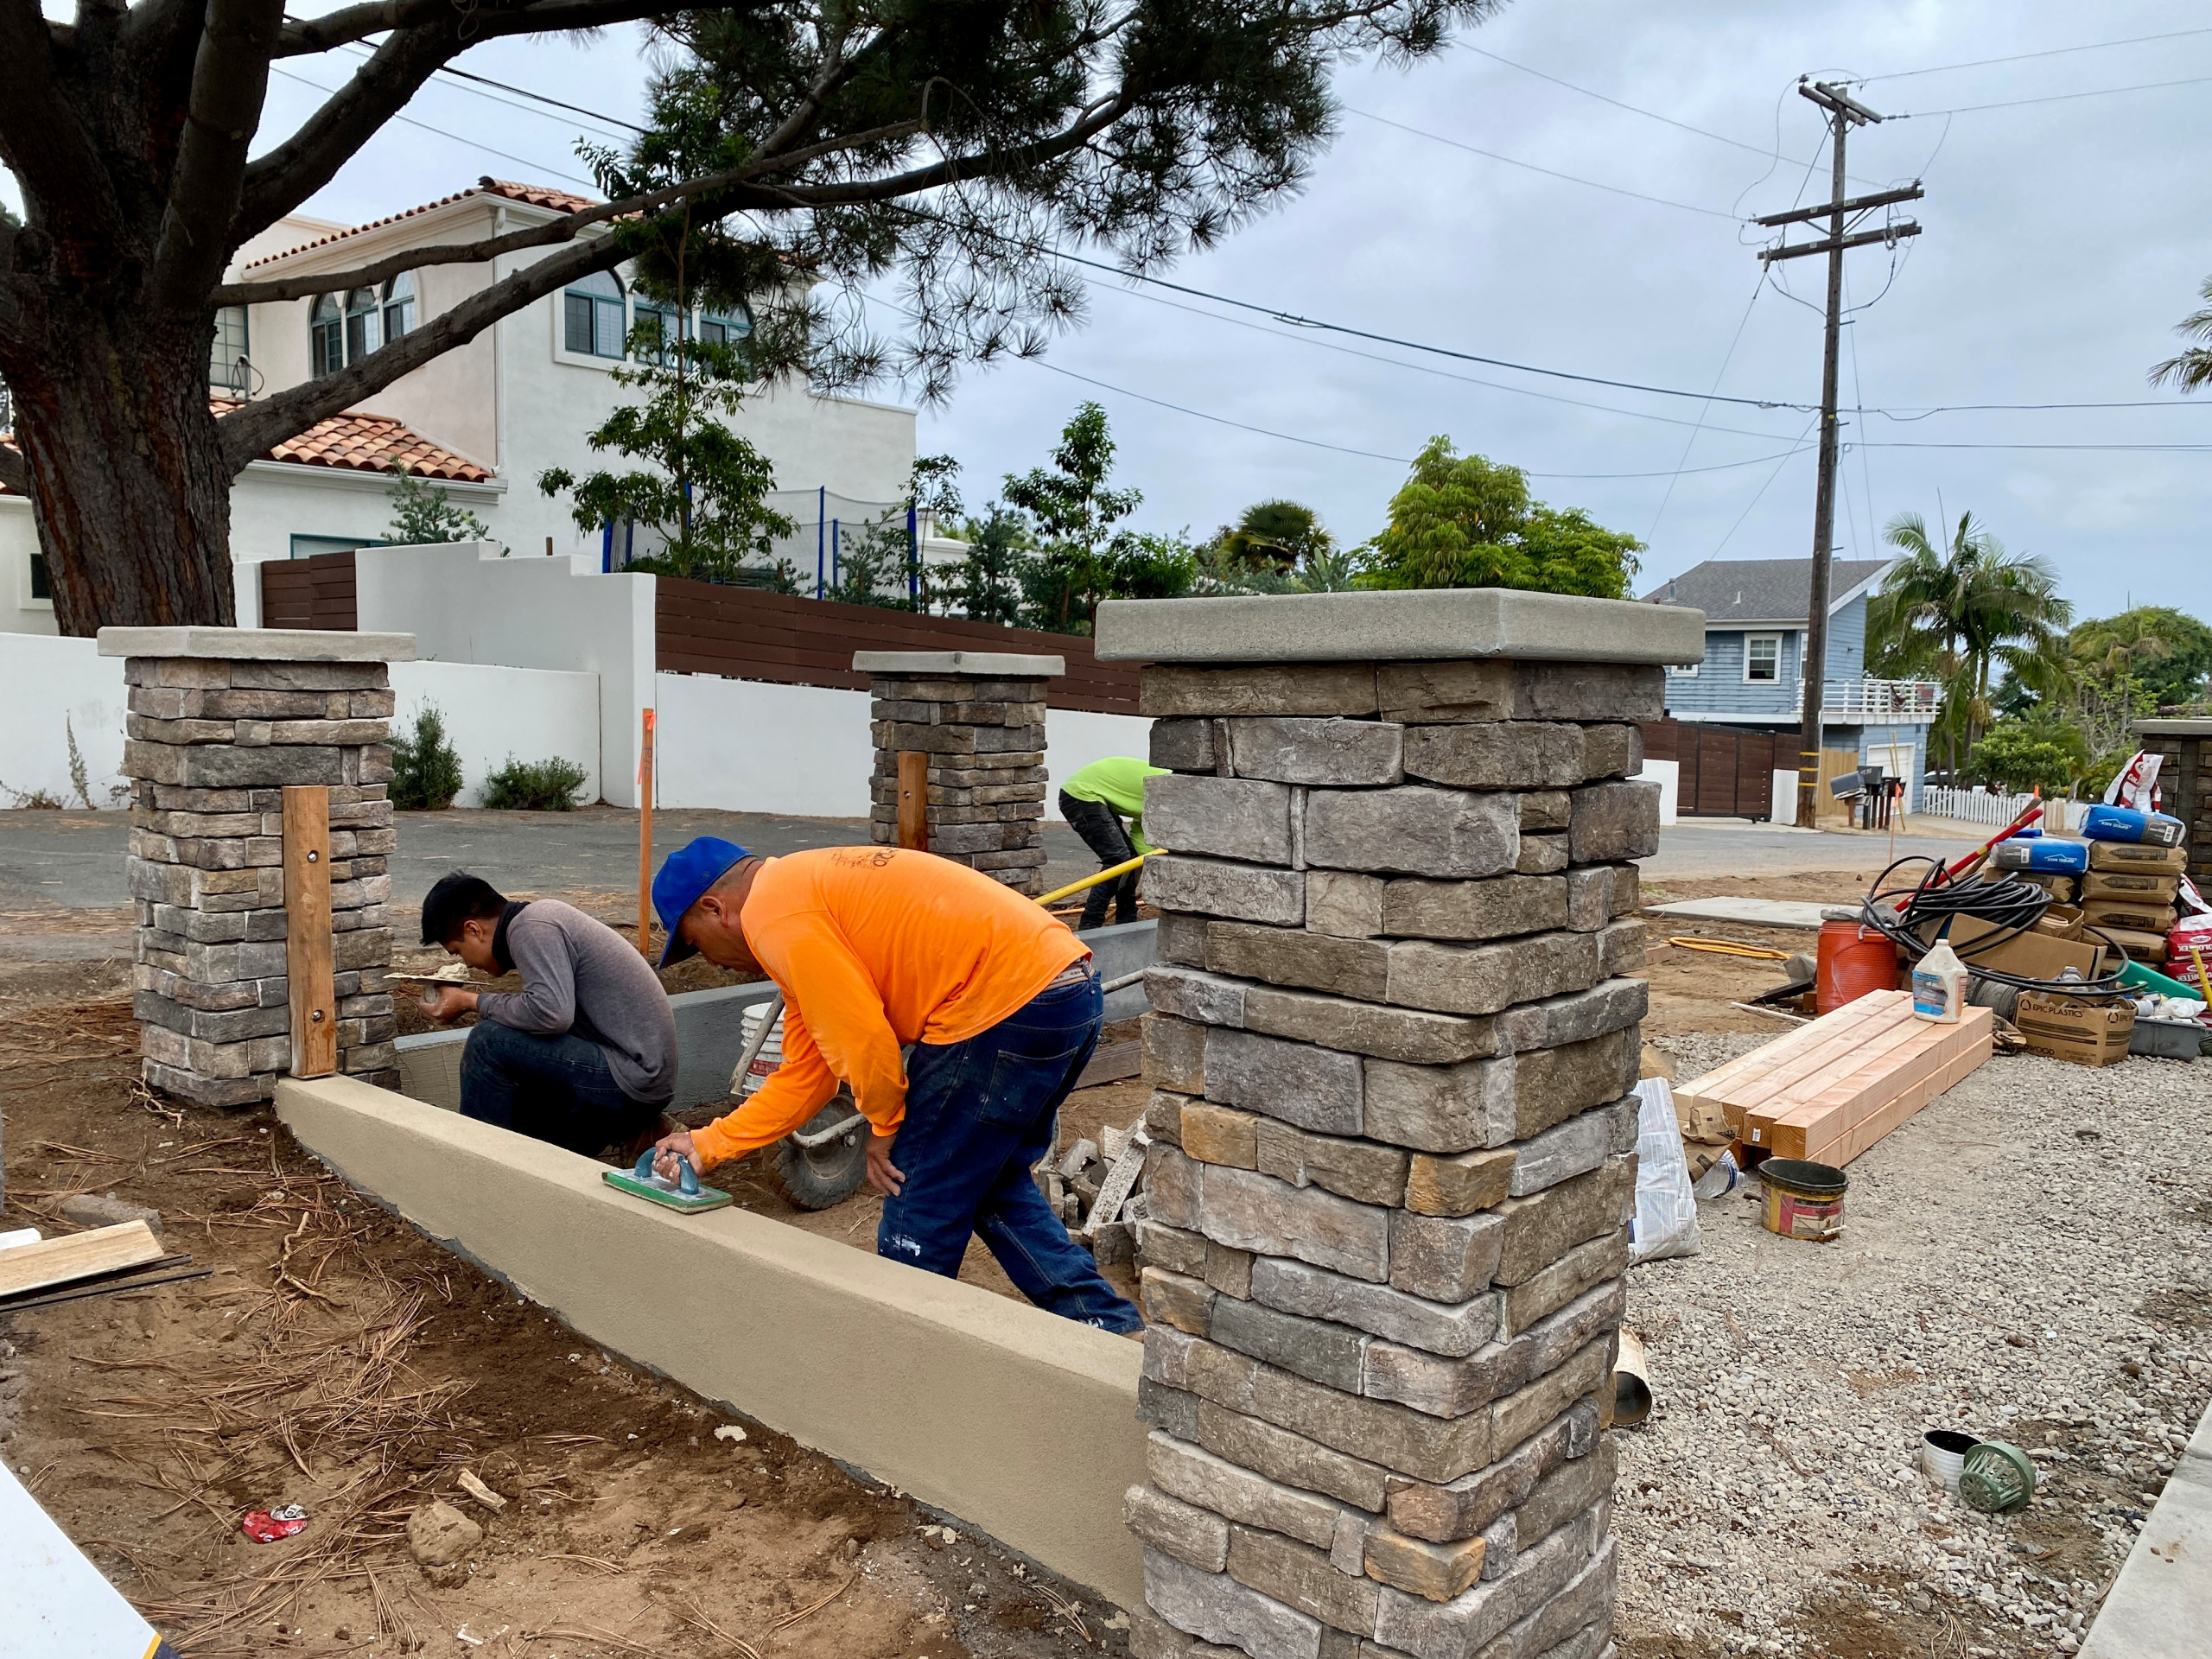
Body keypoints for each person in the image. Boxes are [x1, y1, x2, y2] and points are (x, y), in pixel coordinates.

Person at [646, 837, 1141, 1333]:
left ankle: (900, 1351)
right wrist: (706, 1144)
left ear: (715, 908)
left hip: (998, 1008)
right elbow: (804, 1077)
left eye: (694, 944)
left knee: (917, 1196)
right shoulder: (802, 895)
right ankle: (1105, 1323)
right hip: (1064, 993)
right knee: (988, 1179)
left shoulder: (775, 916)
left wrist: (885, 1125)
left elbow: (863, 1040)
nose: (710, 964)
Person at [419, 873, 678, 1159]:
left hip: (635, 1077)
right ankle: (632, 1131)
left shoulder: (532, 927)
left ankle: (478, 1166)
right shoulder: (537, 923)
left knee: (488, 1042)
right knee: (532, 1142)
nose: (466, 963)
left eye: (458, 952)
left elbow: (552, 1014)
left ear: (474, 930)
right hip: (632, 1072)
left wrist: (471, 1001)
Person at [1057, 756, 1167, 931]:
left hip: (1092, 792)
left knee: (1129, 860)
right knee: (1118, 860)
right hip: (1081, 793)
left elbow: (1140, 833)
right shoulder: (1170, 791)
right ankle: (1090, 925)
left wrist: (1149, 860)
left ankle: (1126, 921)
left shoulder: (1170, 792)